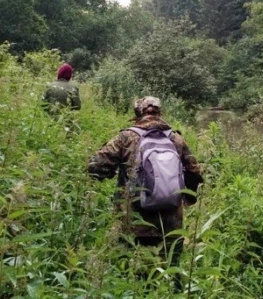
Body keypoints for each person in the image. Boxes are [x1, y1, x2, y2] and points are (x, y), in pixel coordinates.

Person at [87, 96, 203, 270]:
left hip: (133, 223)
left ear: (137, 113)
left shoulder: (126, 137)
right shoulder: (176, 139)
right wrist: (189, 198)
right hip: (171, 225)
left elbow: (95, 166)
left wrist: (106, 175)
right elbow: (194, 172)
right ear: (160, 113)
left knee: (130, 274)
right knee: (169, 273)